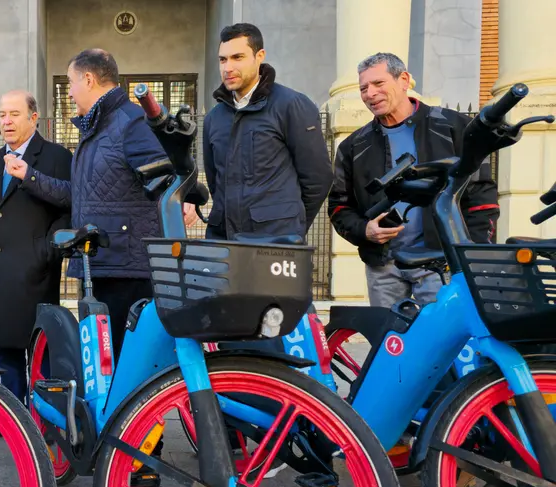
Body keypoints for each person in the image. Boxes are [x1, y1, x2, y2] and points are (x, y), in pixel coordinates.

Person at [4, 48, 167, 487]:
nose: (70, 92)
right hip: (101, 263)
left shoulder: (128, 121)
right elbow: (79, 194)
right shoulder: (99, 129)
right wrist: (28, 176)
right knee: (109, 368)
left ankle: (144, 460)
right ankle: (120, 452)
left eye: (72, 84)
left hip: (127, 265)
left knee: (135, 369)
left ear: (90, 81)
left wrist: (179, 201)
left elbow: (162, 178)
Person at [328, 52, 500, 307]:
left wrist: (471, 252)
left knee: (445, 342)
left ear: (404, 80)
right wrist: (364, 230)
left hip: (442, 262)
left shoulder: (453, 126)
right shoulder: (354, 146)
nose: (370, 94)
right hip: (383, 266)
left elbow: (481, 194)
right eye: (363, 88)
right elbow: (339, 206)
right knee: (390, 342)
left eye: (378, 83)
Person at [0, 90, 71, 409]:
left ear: (33, 118)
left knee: (39, 346)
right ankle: (13, 415)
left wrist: (48, 250)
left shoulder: (56, 157)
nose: (6, 121)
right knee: (4, 348)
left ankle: (43, 418)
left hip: (34, 271)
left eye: (14, 114)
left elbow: (68, 209)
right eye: (1, 114)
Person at [202, 23, 332, 241]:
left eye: (237, 57)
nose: (227, 67)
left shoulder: (291, 105)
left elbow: (318, 178)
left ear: (259, 56)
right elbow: (216, 182)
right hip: (223, 241)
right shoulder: (214, 118)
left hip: (276, 244)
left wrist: (290, 225)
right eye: (223, 59)